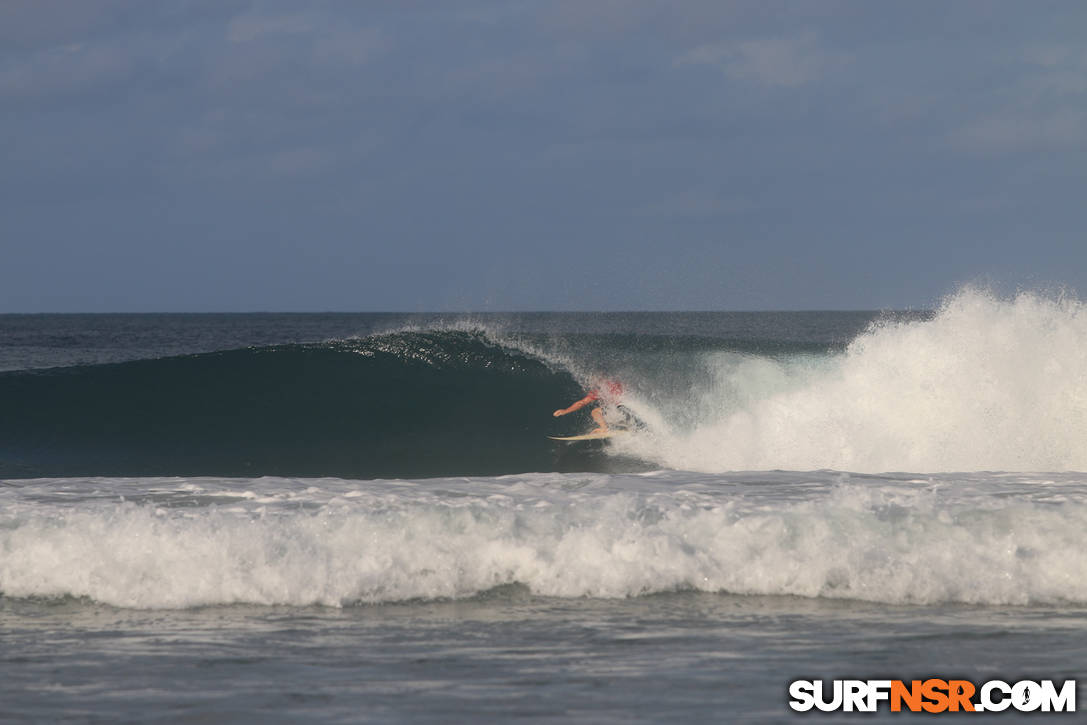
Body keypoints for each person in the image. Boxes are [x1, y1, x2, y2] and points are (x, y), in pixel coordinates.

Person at [553, 380, 624, 434]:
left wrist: (565, 411)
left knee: (595, 412)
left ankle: (604, 428)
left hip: (619, 411)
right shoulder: (618, 382)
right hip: (629, 408)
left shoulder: (599, 390)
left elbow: (581, 403)